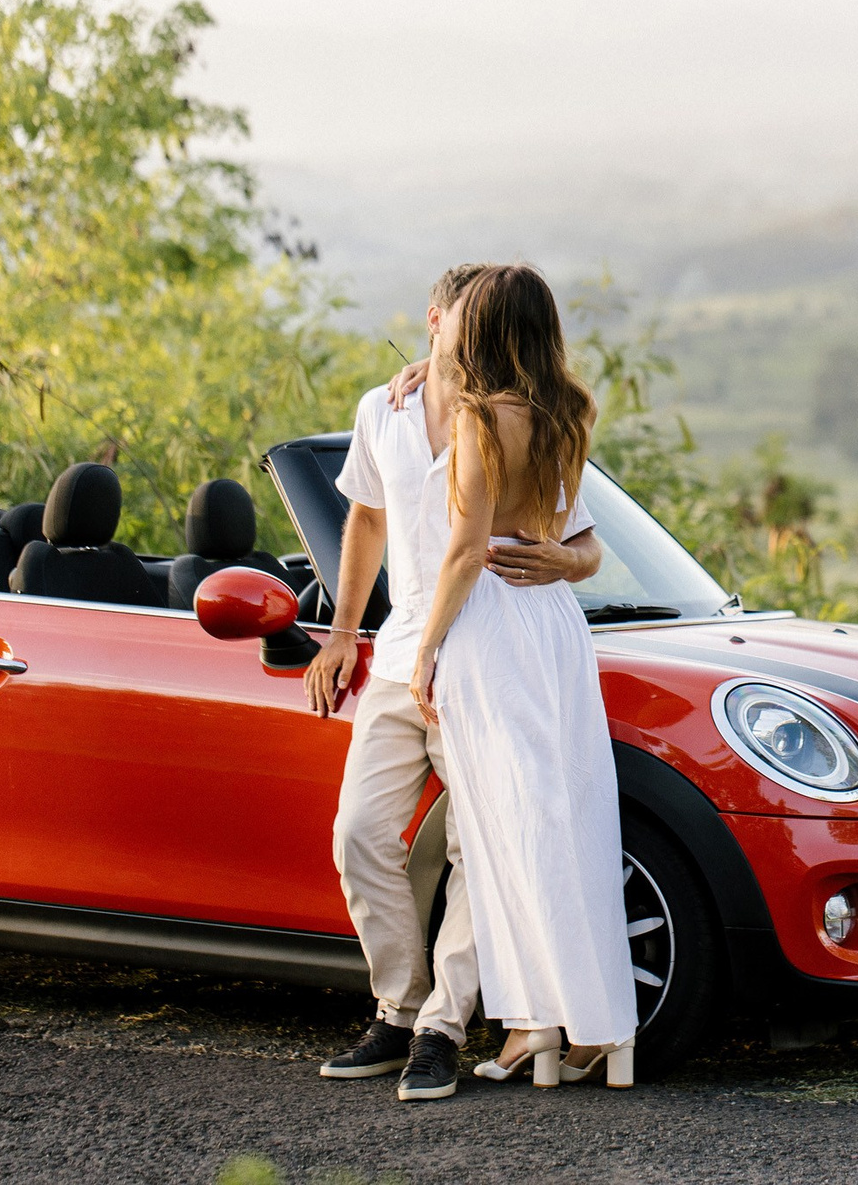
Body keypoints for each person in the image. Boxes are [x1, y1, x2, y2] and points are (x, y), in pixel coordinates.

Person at [304, 263, 604, 1102]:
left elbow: (583, 542)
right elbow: (366, 519)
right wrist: (342, 631)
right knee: (359, 832)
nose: (472, 333)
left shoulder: (513, 414)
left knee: (481, 844)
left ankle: (440, 1026)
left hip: (486, 655)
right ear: (435, 320)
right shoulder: (382, 410)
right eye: (461, 318)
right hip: (403, 654)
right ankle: (396, 1008)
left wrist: (563, 561)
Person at [409, 264, 640, 1090]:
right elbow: (581, 539)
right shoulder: (569, 413)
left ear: (487, 328)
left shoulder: (479, 419)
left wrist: (426, 649)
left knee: (509, 827)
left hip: (491, 627)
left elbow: (465, 551)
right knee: (569, 817)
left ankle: (540, 1020)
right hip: (553, 624)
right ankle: (597, 1027)